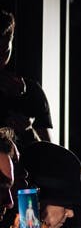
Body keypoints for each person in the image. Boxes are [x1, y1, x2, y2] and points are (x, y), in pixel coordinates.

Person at [0, 9, 53, 145]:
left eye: (4, 52)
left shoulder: (31, 92)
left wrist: (28, 131)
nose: (0, 61)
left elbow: (49, 152)